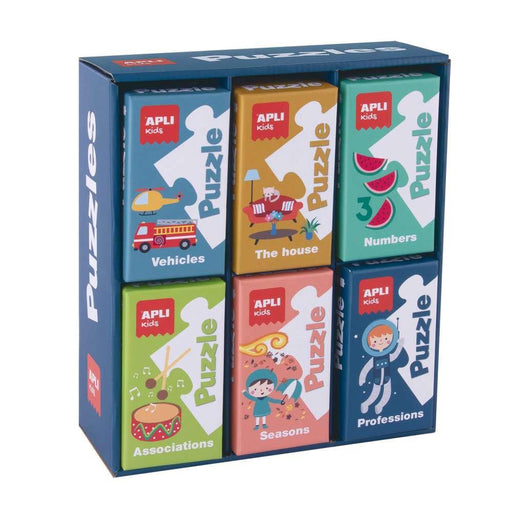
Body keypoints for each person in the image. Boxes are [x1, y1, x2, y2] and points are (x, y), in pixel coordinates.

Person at [359, 320, 404, 415]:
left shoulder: (388, 355)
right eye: (375, 341)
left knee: (387, 394)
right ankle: (365, 404)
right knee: (374, 395)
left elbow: (395, 355)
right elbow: (366, 368)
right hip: (377, 379)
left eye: (385, 339)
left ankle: (379, 406)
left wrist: (400, 345)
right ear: (370, 344)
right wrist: (362, 378)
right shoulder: (374, 358)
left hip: (387, 378)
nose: (381, 342)